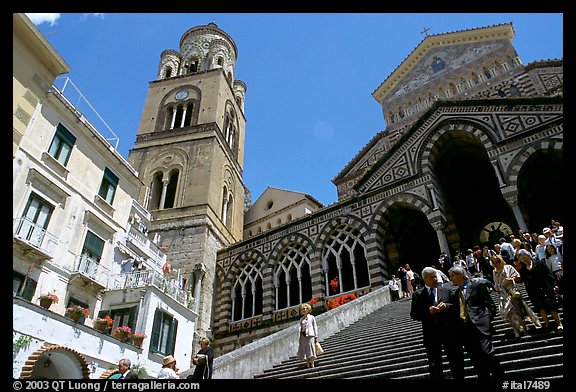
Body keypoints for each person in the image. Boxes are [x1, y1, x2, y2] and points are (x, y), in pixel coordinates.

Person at [449, 265, 503, 380]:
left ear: (460, 275)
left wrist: (485, 321)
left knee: (488, 354)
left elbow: (490, 305)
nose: (450, 279)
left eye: (452, 276)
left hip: (481, 328)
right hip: (466, 332)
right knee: (477, 361)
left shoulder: (476, 285)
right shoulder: (455, 294)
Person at [410, 267, 464, 380]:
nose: (435, 279)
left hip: (449, 332)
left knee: (456, 362)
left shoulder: (447, 290)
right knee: (435, 366)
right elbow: (414, 314)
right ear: (425, 279)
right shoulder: (417, 295)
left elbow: (457, 308)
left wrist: (446, 306)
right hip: (431, 335)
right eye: (431, 277)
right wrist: (428, 312)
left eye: (435, 276)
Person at [491, 254, 541, 338]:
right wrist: (496, 288)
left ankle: (525, 330)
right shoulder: (494, 271)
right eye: (495, 262)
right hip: (503, 294)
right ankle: (516, 331)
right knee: (509, 313)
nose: (498, 263)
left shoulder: (508, 267)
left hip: (512, 291)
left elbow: (518, 276)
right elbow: (496, 283)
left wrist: (512, 279)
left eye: (498, 261)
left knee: (518, 312)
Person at [516, 249, 563, 330]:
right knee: (540, 308)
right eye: (522, 259)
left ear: (528, 255)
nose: (524, 259)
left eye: (525, 257)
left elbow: (549, 274)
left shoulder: (539, 263)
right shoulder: (522, 270)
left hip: (545, 288)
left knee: (551, 306)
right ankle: (547, 324)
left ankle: (559, 323)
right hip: (533, 291)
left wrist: (554, 285)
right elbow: (522, 280)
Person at [297, 303, 318, 368]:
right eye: (303, 309)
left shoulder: (311, 317)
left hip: (310, 335)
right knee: (306, 350)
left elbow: (315, 327)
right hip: (303, 336)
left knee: (311, 348)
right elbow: (300, 328)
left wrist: (316, 336)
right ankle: (308, 364)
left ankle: (312, 363)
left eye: (306, 308)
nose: (304, 310)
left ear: (308, 310)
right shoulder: (301, 319)